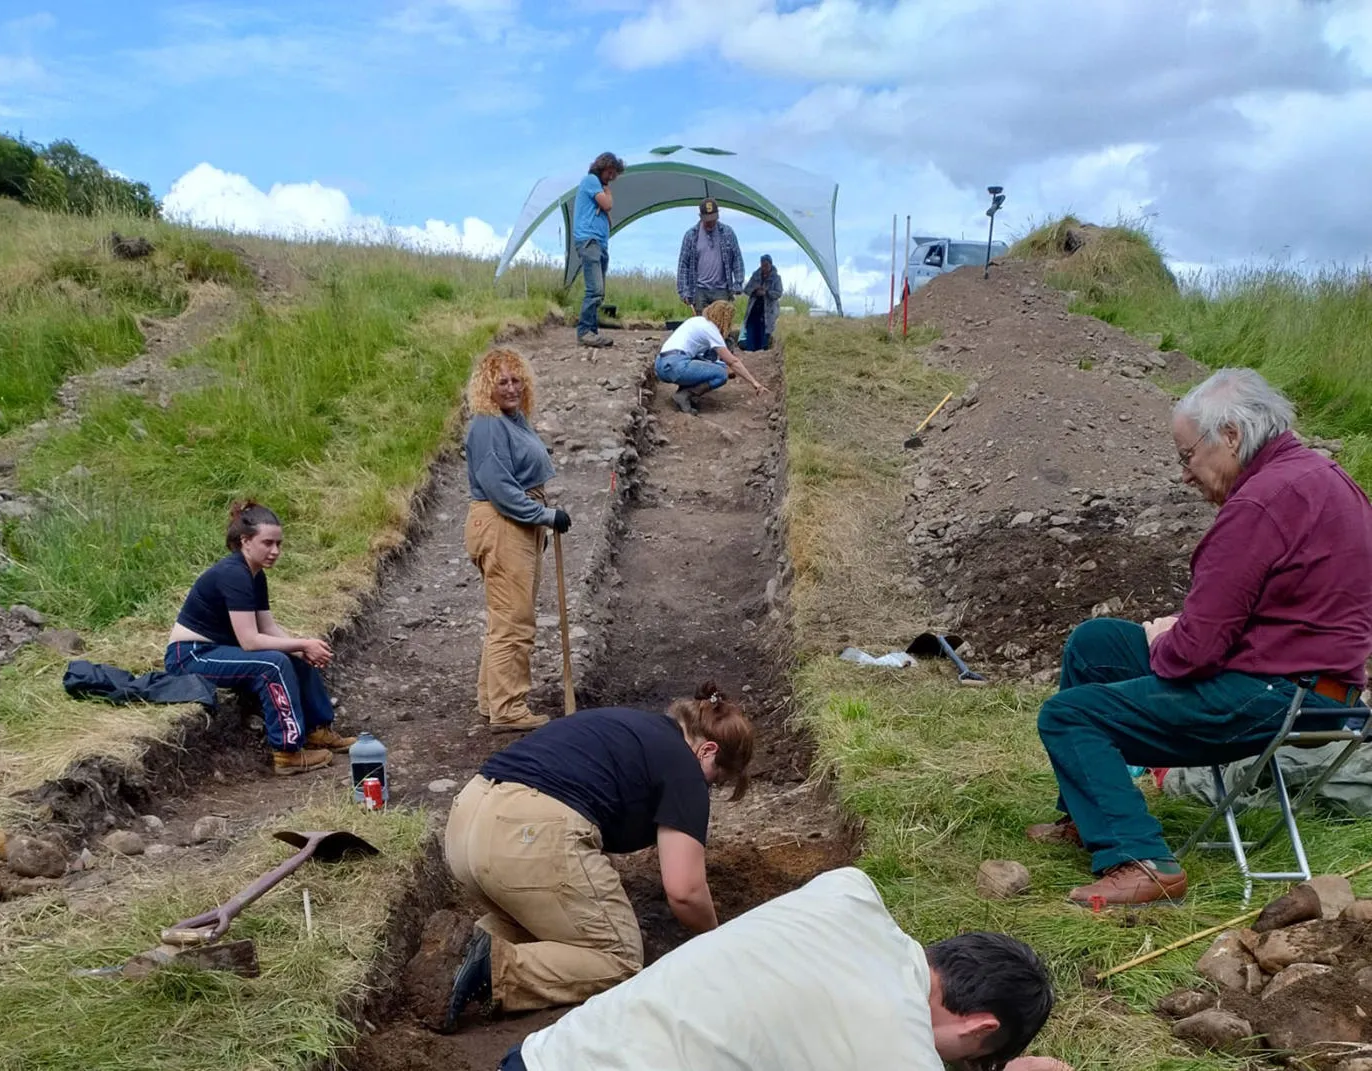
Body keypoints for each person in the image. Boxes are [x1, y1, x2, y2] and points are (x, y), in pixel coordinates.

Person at [1029, 368, 1372, 906]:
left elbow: (1193, 654)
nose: (1185, 475)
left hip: (1277, 694)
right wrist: (1175, 634)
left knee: (1070, 715)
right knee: (1097, 643)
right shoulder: (1322, 478)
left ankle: (1141, 861)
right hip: (1325, 691)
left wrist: (1165, 636)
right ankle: (1087, 816)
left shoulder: (1259, 503)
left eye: (1187, 456)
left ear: (1230, 436)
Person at [490, 866, 1057, 1071]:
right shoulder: (898, 1046)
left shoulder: (850, 892)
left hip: (543, 1057)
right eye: (970, 1060)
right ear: (979, 1027)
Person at [439, 682, 756, 1029]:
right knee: (618, 956)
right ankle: (492, 969)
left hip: (466, 822)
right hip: (529, 835)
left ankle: (459, 950)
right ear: (708, 751)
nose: (708, 787)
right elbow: (685, 890)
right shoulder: (685, 768)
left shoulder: (631, 728)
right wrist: (721, 942)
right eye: (716, 779)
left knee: (557, 926)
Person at [166, 501, 356, 776]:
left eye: (279, 544)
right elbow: (251, 642)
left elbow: (267, 627)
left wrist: (301, 648)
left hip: (218, 649)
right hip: (190, 656)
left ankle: (317, 730)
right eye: (267, 543)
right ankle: (287, 752)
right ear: (245, 541)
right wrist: (301, 644)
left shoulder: (254, 574)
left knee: (294, 656)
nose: (275, 551)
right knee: (273, 664)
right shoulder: (234, 574)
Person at [464, 347, 571, 734]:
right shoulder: (489, 425)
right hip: (504, 522)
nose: (511, 387)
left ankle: (491, 699)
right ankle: (508, 708)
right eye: (501, 381)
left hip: (516, 523)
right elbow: (501, 489)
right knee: (514, 619)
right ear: (486, 387)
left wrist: (538, 521)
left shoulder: (512, 420)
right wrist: (544, 516)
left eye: (515, 379)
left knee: (504, 616)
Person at [654, 299, 768, 415]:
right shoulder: (711, 329)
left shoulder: (696, 321)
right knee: (721, 374)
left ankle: (684, 394)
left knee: (710, 365)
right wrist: (754, 383)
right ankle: (685, 395)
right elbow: (733, 362)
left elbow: (703, 359)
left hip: (661, 365)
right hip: (676, 366)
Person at [573, 151, 625, 349]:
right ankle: (585, 331)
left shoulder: (596, 184)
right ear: (603, 167)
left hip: (599, 242)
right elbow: (608, 205)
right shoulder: (591, 181)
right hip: (590, 240)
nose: (612, 178)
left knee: (599, 291)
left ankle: (592, 332)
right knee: (594, 289)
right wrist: (608, 192)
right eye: (610, 172)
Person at [677, 197, 745, 313]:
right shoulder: (690, 236)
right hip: (699, 291)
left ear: (718, 215)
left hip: (722, 290)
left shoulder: (728, 233)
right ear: (700, 216)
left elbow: (737, 259)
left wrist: (738, 283)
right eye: (707, 219)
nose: (710, 222)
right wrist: (684, 291)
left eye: (713, 219)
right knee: (701, 328)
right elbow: (683, 265)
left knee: (721, 328)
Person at [742, 253, 783, 351]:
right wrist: (755, 290)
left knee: (764, 332)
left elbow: (778, 293)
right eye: (762, 264)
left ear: (770, 265)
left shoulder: (776, 278)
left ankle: (762, 352)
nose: (764, 267)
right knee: (751, 329)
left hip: (767, 312)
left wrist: (766, 293)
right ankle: (750, 350)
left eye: (766, 265)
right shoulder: (755, 275)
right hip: (753, 309)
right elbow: (746, 289)